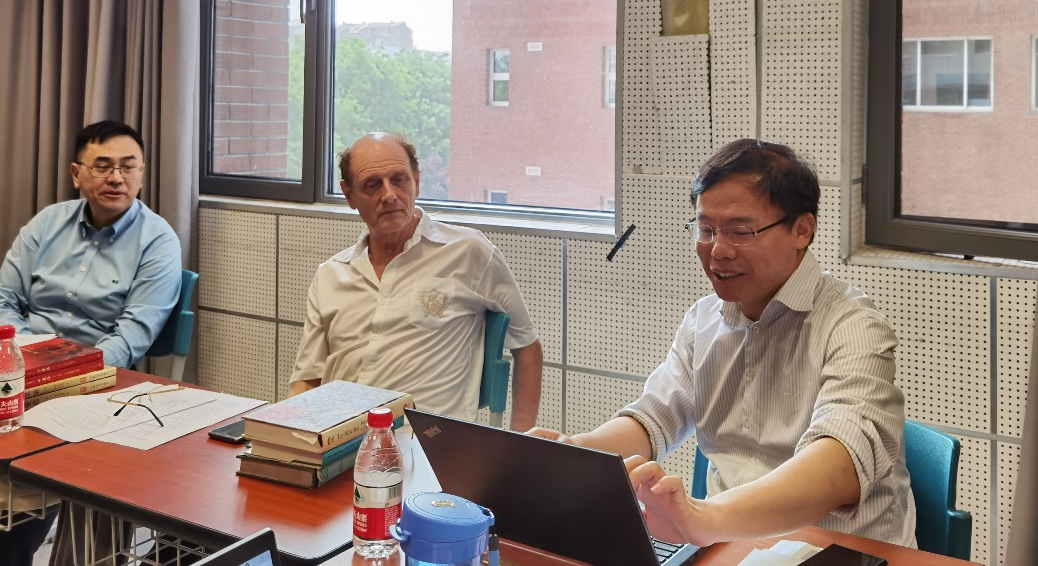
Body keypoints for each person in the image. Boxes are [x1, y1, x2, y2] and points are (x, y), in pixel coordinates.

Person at [530, 139, 916, 548]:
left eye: (740, 231)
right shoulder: (704, 319)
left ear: (801, 230)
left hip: (839, 552)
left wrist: (707, 518)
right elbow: (653, 418)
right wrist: (577, 455)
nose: (718, 250)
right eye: (706, 230)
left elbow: (841, 463)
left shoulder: (853, 325)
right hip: (732, 546)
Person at [0, 120, 182, 566]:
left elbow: (129, 340)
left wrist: (55, 372)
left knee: (20, 492)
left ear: (141, 172)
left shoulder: (158, 240)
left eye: (128, 166)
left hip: (89, 385)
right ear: (77, 174)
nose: (117, 177)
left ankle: (6, 552)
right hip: (15, 367)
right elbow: (0, 300)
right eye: (103, 166)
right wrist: (21, 357)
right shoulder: (49, 222)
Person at [288, 132, 544, 430]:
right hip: (339, 440)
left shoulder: (468, 253)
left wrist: (522, 443)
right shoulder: (330, 274)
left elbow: (527, 347)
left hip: (427, 442)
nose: (389, 194)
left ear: (417, 182)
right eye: (372, 185)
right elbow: (307, 381)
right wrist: (289, 439)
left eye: (399, 179)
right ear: (349, 196)